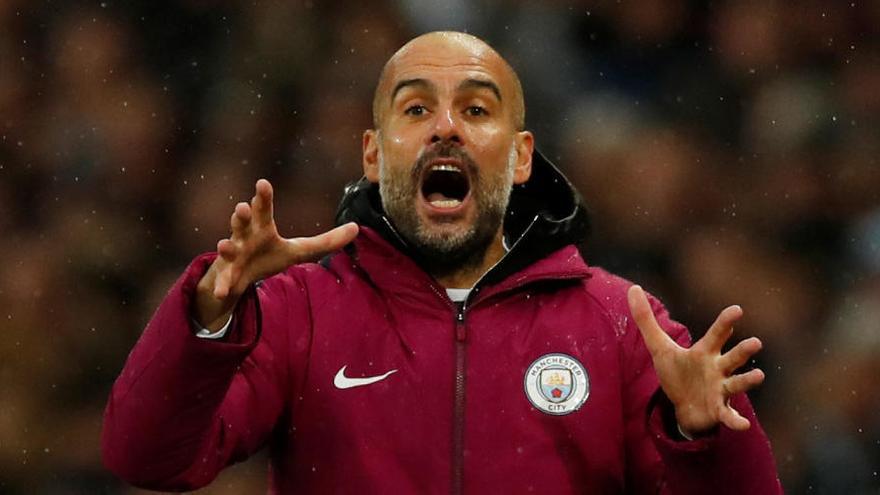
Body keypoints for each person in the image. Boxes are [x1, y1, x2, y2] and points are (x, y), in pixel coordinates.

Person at [102, 31, 782, 493]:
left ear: (520, 158)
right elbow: (147, 457)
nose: (446, 126)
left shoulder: (617, 322)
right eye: (417, 107)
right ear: (373, 154)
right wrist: (208, 320)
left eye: (476, 108)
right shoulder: (298, 309)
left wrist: (701, 435)